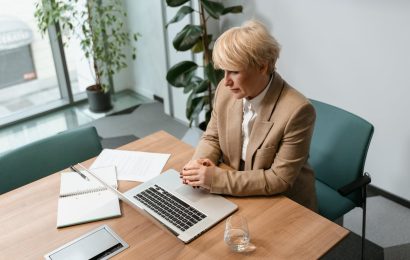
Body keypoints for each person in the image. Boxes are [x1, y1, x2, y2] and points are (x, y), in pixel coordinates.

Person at [180, 20, 317, 211]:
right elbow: (212, 137)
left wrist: (216, 179)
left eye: (234, 72)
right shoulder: (225, 91)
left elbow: (279, 179)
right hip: (236, 187)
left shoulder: (298, 111)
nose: (226, 81)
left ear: (262, 67)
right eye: (224, 71)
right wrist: (198, 165)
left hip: (282, 201)